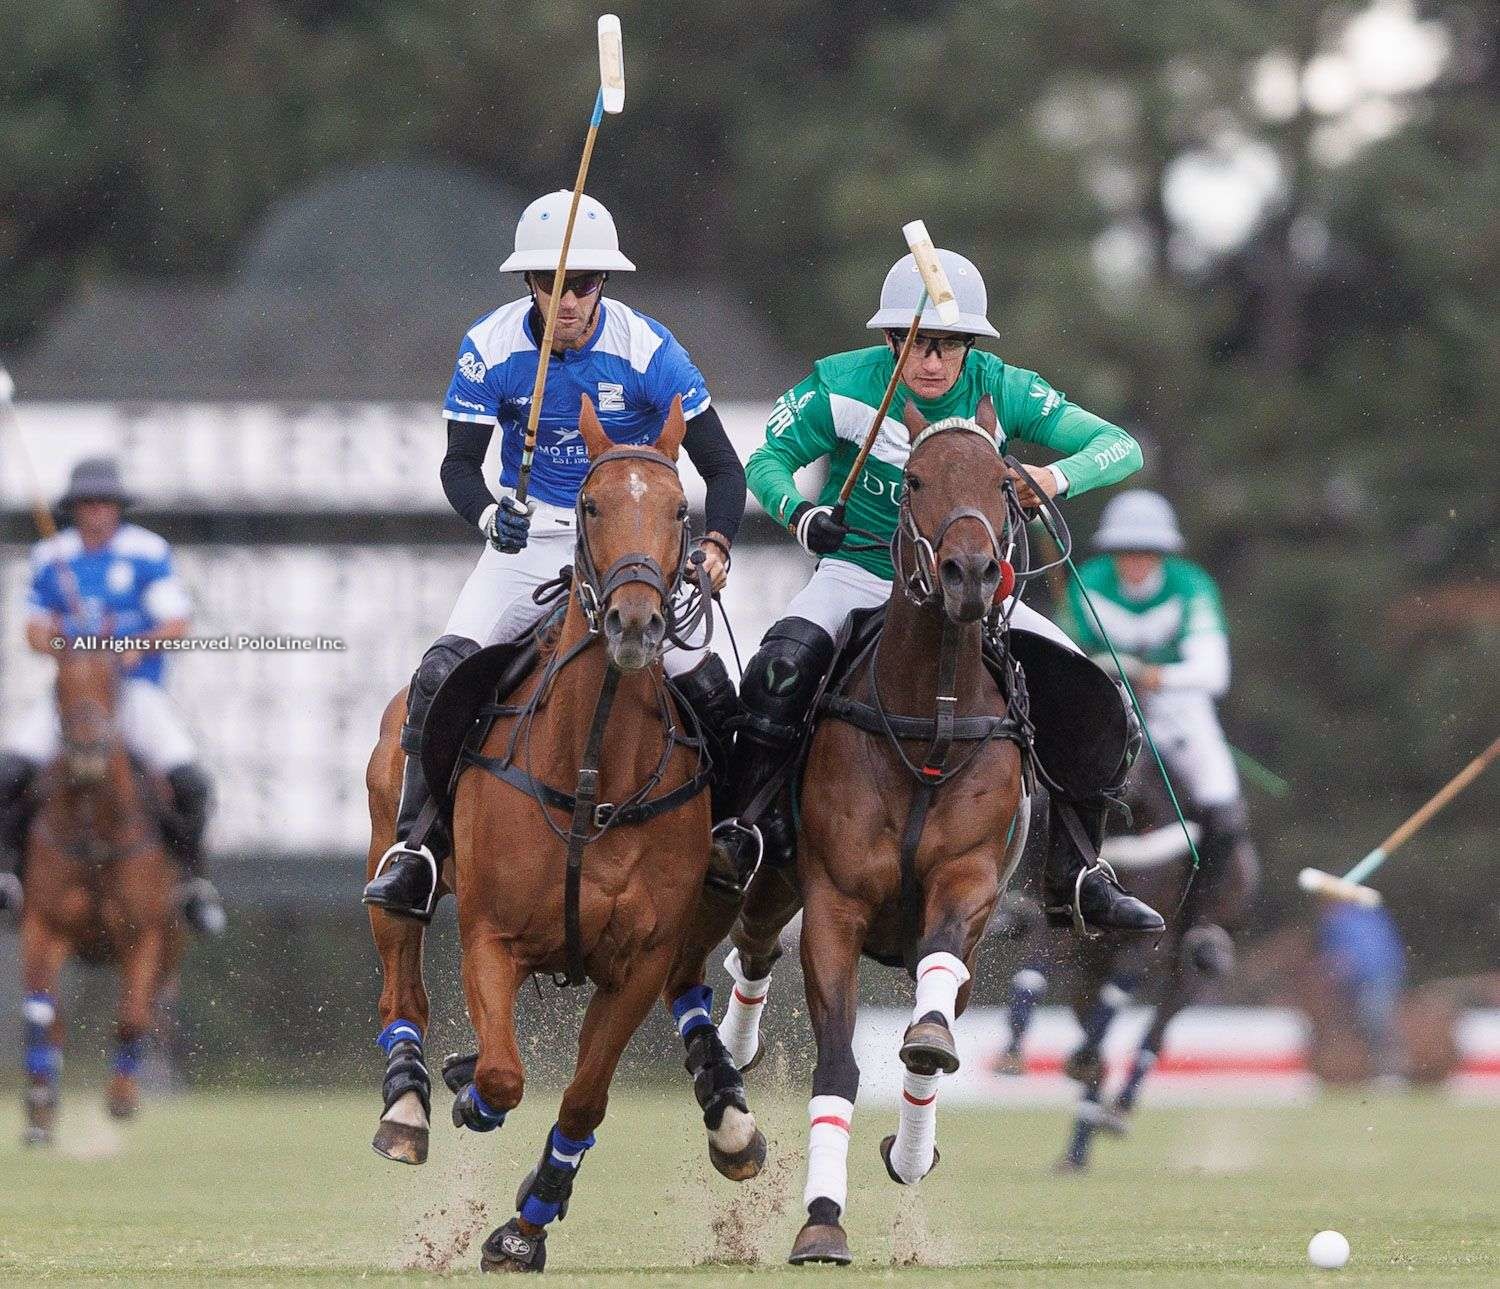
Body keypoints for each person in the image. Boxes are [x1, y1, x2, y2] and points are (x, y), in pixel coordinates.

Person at [711, 248, 1164, 935]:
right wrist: (801, 516)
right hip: (859, 570)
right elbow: (766, 459)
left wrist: (1054, 477)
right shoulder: (840, 385)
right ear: (891, 340)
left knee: (1100, 703)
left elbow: (1118, 444)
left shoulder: (1002, 387)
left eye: (947, 345)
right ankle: (752, 827)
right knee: (777, 667)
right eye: (915, 343)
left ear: (969, 345)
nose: (930, 361)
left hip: (975, 591)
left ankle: (1075, 873)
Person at [362, 190, 746, 921]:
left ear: (605, 284)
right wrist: (486, 515)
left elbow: (724, 470)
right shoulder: (492, 346)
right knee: (441, 674)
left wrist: (717, 545)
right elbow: (457, 465)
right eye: (552, 284)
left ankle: (725, 838)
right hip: (531, 539)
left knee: (714, 691)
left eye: (584, 284)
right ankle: (417, 845)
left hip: (630, 547)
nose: (568, 300)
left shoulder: (651, 351)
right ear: (528, 284)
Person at [0, 457, 224, 935]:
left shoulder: (146, 551)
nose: (98, 512)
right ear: (75, 509)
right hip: (73, 697)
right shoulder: (52, 556)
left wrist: (128, 648)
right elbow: (34, 631)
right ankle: (10, 876)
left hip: (134, 691)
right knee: (9, 772)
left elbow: (175, 624)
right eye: (88, 503)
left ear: (119, 508)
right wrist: (69, 645)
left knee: (192, 783)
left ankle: (192, 884)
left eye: (106, 503)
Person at [1063, 489, 1255, 916]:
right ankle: (1026, 902)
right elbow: (1064, 652)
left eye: (1146, 552)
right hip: (1105, 713)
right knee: (1040, 793)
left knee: (1222, 804)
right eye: (1124, 551)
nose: (1134, 562)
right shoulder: (1086, 582)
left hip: (1179, 714)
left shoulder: (1192, 587)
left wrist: (1152, 675)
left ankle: (1201, 925)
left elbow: (1214, 673)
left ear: (1164, 552)